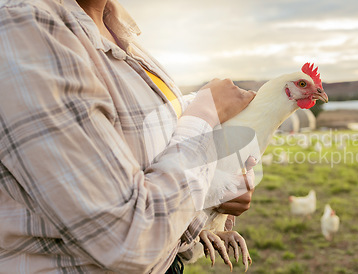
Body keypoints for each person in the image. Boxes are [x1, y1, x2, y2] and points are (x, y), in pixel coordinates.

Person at [0, 0, 256, 273]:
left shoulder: (117, 30)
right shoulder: (26, 25)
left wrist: (209, 193)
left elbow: (149, 164)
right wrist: (206, 115)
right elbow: (130, 238)